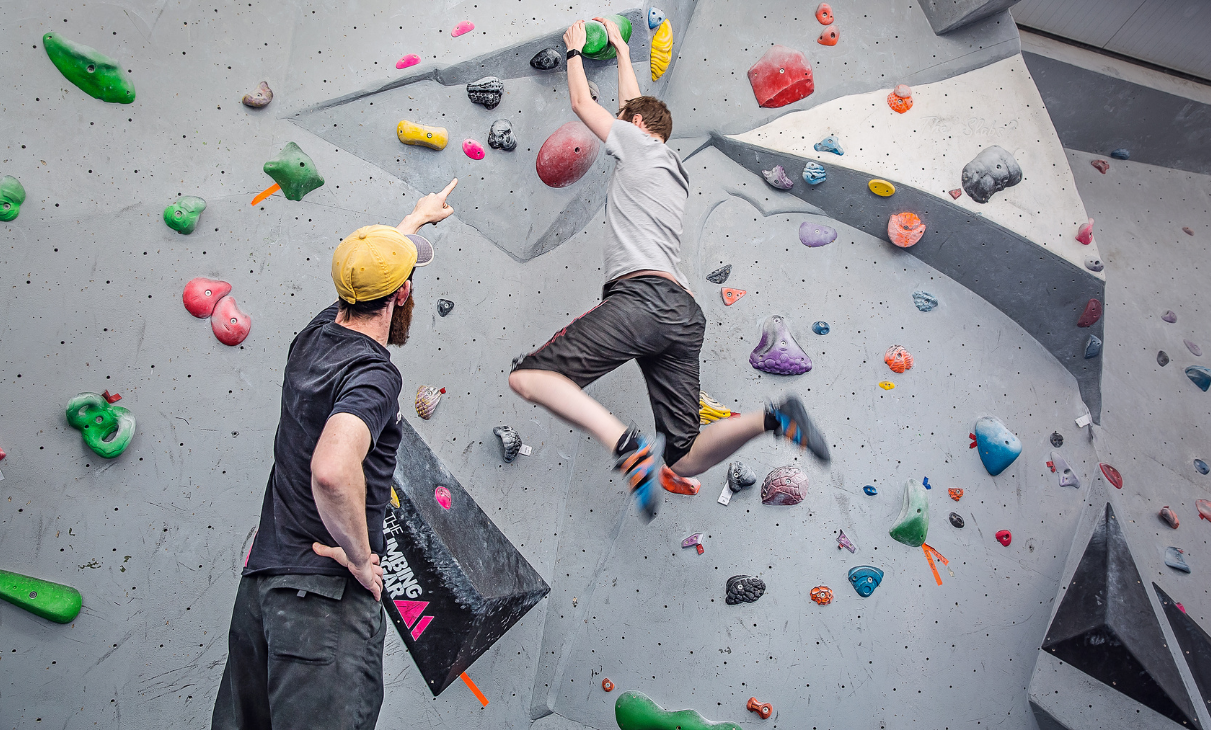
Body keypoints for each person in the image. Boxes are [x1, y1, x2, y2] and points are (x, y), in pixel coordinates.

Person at [508, 19, 830, 521]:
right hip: (683, 316)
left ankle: (627, 448)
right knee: (684, 455)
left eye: (624, 123)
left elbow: (583, 107)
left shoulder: (637, 146)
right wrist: (619, 48)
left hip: (643, 300)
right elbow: (635, 109)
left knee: (530, 378)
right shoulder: (669, 165)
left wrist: (574, 52)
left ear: (635, 130)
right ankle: (773, 419)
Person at [211, 180, 457, 730]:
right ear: (402, 294)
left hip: (261, 596)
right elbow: (331, 469)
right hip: (319, 607)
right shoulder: (373, 375)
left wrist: (414, 221)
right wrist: (356, 552)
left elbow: (371, 266)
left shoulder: (314, 336)